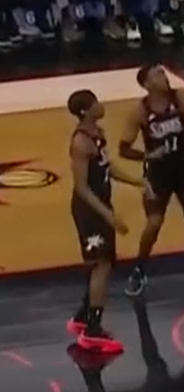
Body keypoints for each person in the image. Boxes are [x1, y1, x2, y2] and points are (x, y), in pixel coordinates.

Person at [119, 63, 184, 297]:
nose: (164, 77)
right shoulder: (140, 111)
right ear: (147, 84)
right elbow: (123, 149)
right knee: (153, 224)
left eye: (163, 73)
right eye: (158, 74)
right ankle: (139, 270)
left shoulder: (182, 98)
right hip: (157, 174)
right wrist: (148, 155)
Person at [66, 89, 145, 353]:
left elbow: (108, 167)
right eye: (95, 102)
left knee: (106, 262)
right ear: (86, 110)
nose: (101, 105)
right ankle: (92, 330)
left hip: (100, 206)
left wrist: (137, 181)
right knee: (101, 265)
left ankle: (82, 316)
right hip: (89, 209)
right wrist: (108, 215)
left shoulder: (97, 134)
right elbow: (82, 188)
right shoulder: (81, 142)